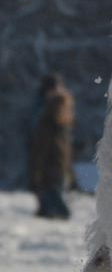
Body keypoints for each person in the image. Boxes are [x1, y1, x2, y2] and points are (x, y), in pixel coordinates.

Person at [29, 74, 75, 219]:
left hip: (50, 161)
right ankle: (47, 212)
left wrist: (37, 165)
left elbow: (43, 142)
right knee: (51, 193)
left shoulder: (48, 112)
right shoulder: (64, 109)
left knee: (52, 196)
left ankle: (51, 213)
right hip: (58, 161)